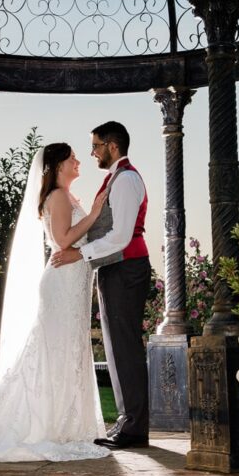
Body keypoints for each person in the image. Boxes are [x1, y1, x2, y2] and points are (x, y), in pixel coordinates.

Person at [0, 142, 112, 462]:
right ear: (57, 166)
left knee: (71, 349)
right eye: (72, 158)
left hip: (75, 282)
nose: (78, 160)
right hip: (61, 284)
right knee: (57, 349)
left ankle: (70, 424)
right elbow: (63, 239)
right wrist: (95, 213)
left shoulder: (67, 196)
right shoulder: (56, 195)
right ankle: (48, 424)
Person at [50, 121, 152, 450]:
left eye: (95, 146)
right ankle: (127, 422)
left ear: (112, 146)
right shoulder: (115, 179)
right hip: (115, 269)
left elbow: (121, 236)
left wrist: (80, 254)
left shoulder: (126, 180)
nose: (92, 153)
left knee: (125, 347)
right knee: (116, 347)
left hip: (127, 267)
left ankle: (133, 427)